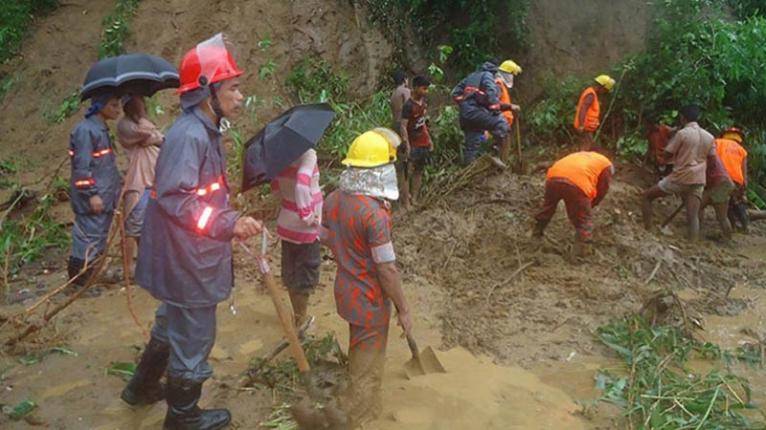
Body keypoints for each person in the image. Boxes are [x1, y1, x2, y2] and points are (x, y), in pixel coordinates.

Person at [121, 34, 263, 430]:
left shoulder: (203, 130)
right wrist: (228, 224)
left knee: (170, 321)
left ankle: (141, 388)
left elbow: (201, 194)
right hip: (188, 258)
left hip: (182, 254)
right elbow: (177, 201)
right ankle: (183, 417)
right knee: (194, 335)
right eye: (233, 87)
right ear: (206, 92)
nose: (240, 95)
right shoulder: (191, 136)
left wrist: (227, 217)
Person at [321, 129, 412, 427]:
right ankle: (358, 413)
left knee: (358, 344)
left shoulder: (333, 199)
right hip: (369, 297)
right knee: (369, 357)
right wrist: (403, 308)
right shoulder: (374, 215)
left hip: (345, 289)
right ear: (380, 171)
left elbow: (324, 237)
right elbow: (386, 268)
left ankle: (361, 402)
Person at [67, 92, 123, 286]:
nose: (118, 110)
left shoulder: (100, 130)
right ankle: (79, 282)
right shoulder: (86, 131)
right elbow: (82, 167)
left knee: (98, 238)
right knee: (87, 239)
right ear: (101, 106)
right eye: (114, 105)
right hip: (94, 198)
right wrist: (91, 194)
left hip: (104, 196)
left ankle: (91, 276)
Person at [641, 104, 715, 241]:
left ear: (682, 118)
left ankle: (647, 231)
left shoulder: (683, 134)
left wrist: (673, 158)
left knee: (646, 197)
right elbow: (713, 161)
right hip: (699, 180)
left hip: (680, 177)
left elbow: (668, 153)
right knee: (693, 216)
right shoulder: (709, 137)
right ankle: (693, 244)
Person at [271, 146, 322, 328]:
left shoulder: (281, 154)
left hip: (286, 221)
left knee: (291, 271)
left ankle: (298, 315)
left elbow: (275, 186)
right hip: (304, 228)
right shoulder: (308, 153)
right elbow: (302, 184)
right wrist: (308, 216)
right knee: (305, 274)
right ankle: (302, 320)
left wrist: (286, 202)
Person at [532, 151, 614, 257]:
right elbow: (602, 189)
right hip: (577, 183)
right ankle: (582, 252)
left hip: (553, 177)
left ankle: (536, 233)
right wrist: (591, 205)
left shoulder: (583, 156)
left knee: (548, 207)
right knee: (584, 221)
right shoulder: (606, 166)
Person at [116, 95, 164, 276]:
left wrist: (154, 136)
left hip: (152, 182)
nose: (143, 105)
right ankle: (128, 267)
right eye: (139, 102)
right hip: (138, 183)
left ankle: (146, 265)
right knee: (133, 226)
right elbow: (146, 133)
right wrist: (153, 135)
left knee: (147, 228)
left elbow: (159, 137)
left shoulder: (141, 123)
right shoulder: (125, 125)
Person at [452, 60, 512, 164]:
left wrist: (466, 101)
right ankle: (496, 153)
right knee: (502, 125)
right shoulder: (488, 75)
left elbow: (455, 93)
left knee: (471, 147)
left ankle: (468, 171)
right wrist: (495, 109)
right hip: (476, 112)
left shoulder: (471, 76)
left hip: (465, 116)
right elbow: (491, 92)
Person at [400, 75, 432, 205]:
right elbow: (403, 125)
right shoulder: (408, 106)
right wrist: (406, 143)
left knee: (419, 170)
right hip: (412, 142)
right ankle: (406, 203)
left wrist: (429, 139)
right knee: (407, 172)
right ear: (416, 88)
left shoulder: (423, 102)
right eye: (424, 89)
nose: (426, 91)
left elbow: (423, 122)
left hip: (422, 142)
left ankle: (415, 198)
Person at [715, 127, 749, 232]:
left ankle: (731, 227)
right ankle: (744, 225)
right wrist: (744, 185)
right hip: (736, 180)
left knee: (725, 202)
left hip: (720, 177)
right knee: (735, 201)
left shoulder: (717, 143)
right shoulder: (742, 150)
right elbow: (744, 170)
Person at [573, 75, 615, 150]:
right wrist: (581, 125)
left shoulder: (593, 94)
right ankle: (582, 160)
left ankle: (583, 159)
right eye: (605, 90)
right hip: (585, 126)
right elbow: (583, 108)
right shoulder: (591, 95)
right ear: (601, 87)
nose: (604, 92)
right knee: (586, 147)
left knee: (589, 145)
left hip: (587, 126)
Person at [700, 153, 734, 242]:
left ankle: (696, 231)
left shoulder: (703, 156)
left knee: (698, 206)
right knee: (722, 216)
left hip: (719, 184)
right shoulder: (710, 154)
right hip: (725, 183)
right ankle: (727, 238)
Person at [390, 70, 412, 207]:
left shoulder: (393, 94)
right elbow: (411, 110)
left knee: (400, 164)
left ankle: (402, 196)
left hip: (394, 128)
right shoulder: (405, 91)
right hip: (404, 128)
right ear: (405, 79)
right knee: (406, 164)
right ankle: (406, 200)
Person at [494, 60, 522, 162]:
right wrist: (510, 107)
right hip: (499, 123)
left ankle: (502, 166)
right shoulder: (498, 85)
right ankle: (501, 169)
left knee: (505, 147)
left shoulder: (501, 85)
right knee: (503, 147)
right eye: (512, 74)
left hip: (503, 123)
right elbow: (494, 103)